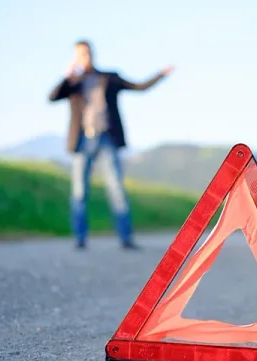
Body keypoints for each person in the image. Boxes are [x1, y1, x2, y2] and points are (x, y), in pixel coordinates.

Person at [48, 39, 174, 250]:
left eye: (87, 53)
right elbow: (53, 97)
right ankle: (80, 239)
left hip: (107, 138)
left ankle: (126, 238)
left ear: (92, 53)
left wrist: (161, 74)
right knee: (79, 191)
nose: (84, 57)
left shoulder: (109, 78)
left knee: (116, 188)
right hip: (82, 140)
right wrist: (67, 75)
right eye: (80, 54)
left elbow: (139, 86)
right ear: (75, 57)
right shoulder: (73, 83)